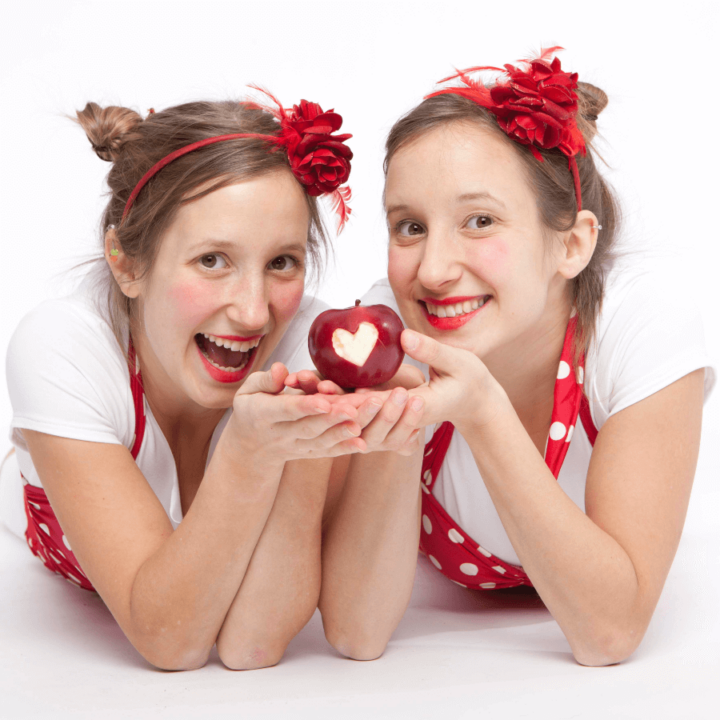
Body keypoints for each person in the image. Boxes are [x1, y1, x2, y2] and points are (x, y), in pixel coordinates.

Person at [311, 48, 716, 666]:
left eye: (479, 221)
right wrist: (399, 424)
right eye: (409, 227)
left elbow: (608, 634)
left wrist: (481, 411)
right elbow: (355, 633)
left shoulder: (641, 323)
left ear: (573, 244)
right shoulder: (385, 328)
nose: (435, 270)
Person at [2, 92, 384, 671]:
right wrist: (250, 455)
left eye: (282, 262)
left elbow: (252, 641)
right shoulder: (63, 347)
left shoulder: (311, 346)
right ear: (127, 263)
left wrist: (307, 454)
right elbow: (170, 640)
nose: (255, 314)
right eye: (212, 260)